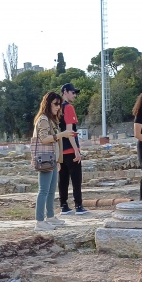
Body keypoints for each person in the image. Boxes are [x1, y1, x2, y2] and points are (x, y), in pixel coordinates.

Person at [32, 92, 76, 231]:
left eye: (59, 104)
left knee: (51, 190)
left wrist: (57, 160)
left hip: (52, 159)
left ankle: (50, 216)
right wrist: (61, 134)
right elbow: (44, 139)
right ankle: (39, 221)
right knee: (43, 190)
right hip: (45, 159)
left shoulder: (50, 120)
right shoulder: (43, 119)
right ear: (48, 104)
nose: (59, 107)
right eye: (56, 104)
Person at [58, 83, 88, 215]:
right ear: (65, 92)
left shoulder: (56, 107)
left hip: (60, 149)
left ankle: (63, 205)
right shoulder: (68, 107)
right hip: (70, 148)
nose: (74, 95)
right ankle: (78, 205)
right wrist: (76, 150)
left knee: (63, 179)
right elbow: (69, 131)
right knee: (76, 178)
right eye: (73, 92)